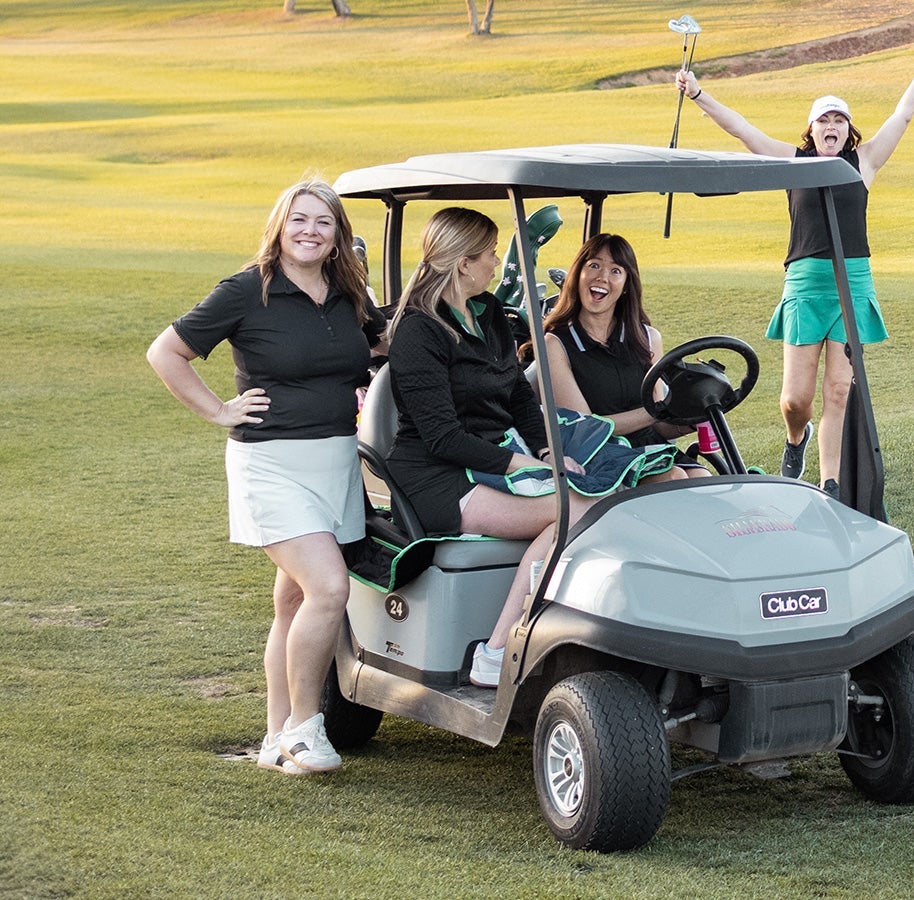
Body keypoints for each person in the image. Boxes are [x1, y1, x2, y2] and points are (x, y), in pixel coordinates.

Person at [145, 180, 382, 776]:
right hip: (272, 464)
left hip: (336, 464)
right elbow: (165, 353)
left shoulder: (348, 291)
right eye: (299, 219)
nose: (310, 231)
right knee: (329, 588)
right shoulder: (246, 290)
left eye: (323, 222)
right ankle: (306, 728)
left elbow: (380, 343)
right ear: (280, 225)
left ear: (338, 235)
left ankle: (275, 736)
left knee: (294, 598)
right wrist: (218, 410)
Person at [674, 28, 914, 496]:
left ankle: (830, 487)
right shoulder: (792, 161)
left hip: (853, 284)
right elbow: (742, 129)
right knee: (796, 400)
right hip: (805, 284)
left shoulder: (865, 162)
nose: (831, 127)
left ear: (848, 131)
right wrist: (698, 93)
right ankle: (797, 437)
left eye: (840, 120)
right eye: (824, 121)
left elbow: (904, 113)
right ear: (812, 130)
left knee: (838, 391)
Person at [381, 207, 590, 689]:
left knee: (595, 498)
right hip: (435, 476)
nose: (497, 263)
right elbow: (442, 437)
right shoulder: (418, 331)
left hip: (495, 459)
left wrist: (545, 452)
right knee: (571, 510)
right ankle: (497, 651)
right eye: (491, 254)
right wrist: (520, 461)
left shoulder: (489, 311)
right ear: (463, 264)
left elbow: (517, 392)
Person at [539, 233, 699, 482]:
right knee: (674, 478)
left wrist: (693, 416)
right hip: (598, 458)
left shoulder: (647, 337)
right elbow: (585, 430)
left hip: (650, 450)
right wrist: (658, 411)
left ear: (626, 285)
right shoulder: (556, 344)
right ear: (577, 275)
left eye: (615, 271)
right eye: (594, 266)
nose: (602, 277)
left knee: (704, 479)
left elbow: (661, 427)